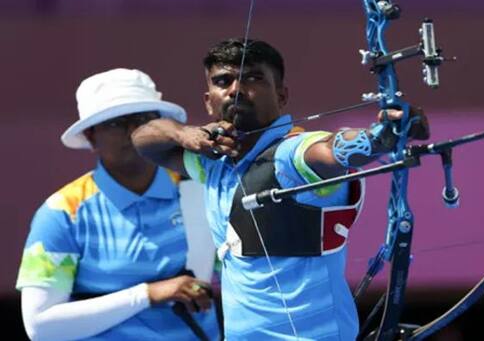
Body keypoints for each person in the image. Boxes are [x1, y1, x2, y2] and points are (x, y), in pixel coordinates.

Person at [131, 38, 429, 340]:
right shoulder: (212, 162)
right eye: (224, 81)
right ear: (208, 101)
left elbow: (331, 150)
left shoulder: (292, 154)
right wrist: (185, 134)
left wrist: (382, 137)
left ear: (282, 95)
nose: (235, 89)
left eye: (253, 78)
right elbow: (143, 140)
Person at [16, 69, 220, 341]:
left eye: (144, 120)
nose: (133, 132)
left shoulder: (202, 191)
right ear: (91, 136)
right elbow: (39, 327)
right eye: (115, 123)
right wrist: (147, 294)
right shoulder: (62, 212)